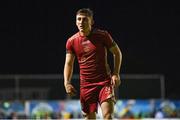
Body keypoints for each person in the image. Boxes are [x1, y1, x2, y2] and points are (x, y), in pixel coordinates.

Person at [64, 8, 122, 119]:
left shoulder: (102, 35)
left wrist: (116, 73)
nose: (81, 22)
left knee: (108, 116)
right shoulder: (71, 41)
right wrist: (67, 82)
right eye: (79, 19)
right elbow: (68, 64)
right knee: (90, 118)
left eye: (85, 19)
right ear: (76, 22)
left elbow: (117, 53)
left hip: (104, 82)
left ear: (92, 22)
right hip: (86, 86)